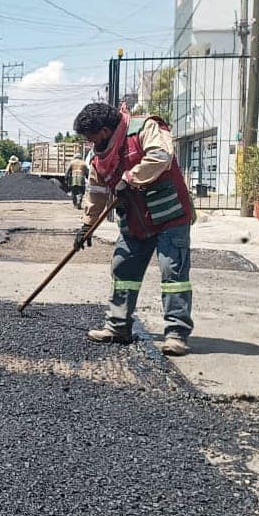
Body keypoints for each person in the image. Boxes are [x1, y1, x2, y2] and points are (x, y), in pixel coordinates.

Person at [72, 102, 193, 357]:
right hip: (135, 222)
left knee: (173, 272)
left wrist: (130, 178)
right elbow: (96, 192)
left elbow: (160, 156)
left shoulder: (145, 128)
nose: (88, 141)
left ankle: (176, 334)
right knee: (123, 267)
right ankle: (118, 326)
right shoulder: (98, 156)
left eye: (90, 135)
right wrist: (87, 225)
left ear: (104, 131)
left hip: (168, 215)